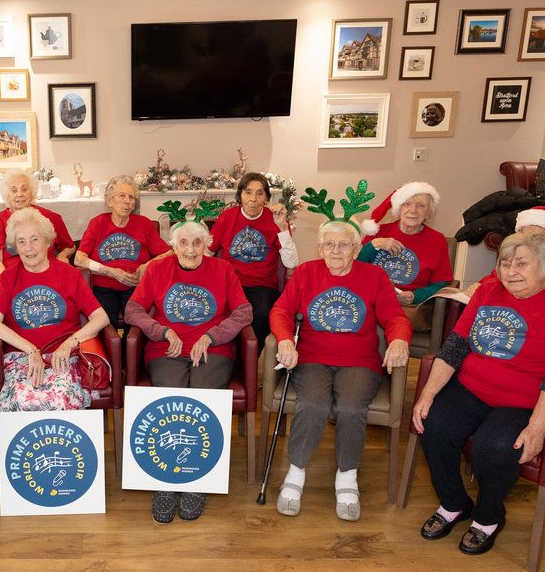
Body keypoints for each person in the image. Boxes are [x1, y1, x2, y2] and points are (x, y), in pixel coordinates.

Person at [412, 232, 545, 555]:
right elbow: (455, 347)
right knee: (433, 422)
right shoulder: (488, 291)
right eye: (505, 264)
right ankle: (454, 503)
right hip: (472, 387)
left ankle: (488, 517)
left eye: (521, 264)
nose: (511, 272)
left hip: (525, 401)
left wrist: (537, 427)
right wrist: (427, 394)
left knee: (496, 446)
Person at [269, 219, 411, 522]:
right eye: (329, 244)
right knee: (313, 403)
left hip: (359, 360)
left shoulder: (374, 276)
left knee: (350, 407)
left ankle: (347, 475)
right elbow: (281, 310)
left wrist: (399, 339)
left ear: (356, 250)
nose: (336, 251)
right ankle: (296, 471)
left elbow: (395, 317)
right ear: (320, 248)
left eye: (344, 245)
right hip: (311, 357)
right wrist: (284, 339)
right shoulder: (306, 273)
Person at [125, 220, 252, 523]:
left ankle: (199, 479)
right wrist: (162, 331)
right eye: (184, 243)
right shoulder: (157, 269)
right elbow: (133, 309)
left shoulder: (223, 269)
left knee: (202, 396)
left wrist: (211, 336)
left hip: (213, 350)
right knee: (171, 399)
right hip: (167, 349)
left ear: (207, 245)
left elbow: (244, 311)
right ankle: (164, 479)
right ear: (173, 245)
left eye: (197, 243)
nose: (191, 250)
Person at [0, 207, 108, 413]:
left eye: (35, 239)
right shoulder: (7, 278)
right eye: (21, 241)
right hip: (22, 358)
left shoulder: (69, 275)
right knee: (21, 399)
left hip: (63, 356)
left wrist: (70, 343)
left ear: (48, 242)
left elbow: (101, 318)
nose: (28, 248)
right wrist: (31, 350)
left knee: (59, 398)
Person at [208, 172, 299, 346]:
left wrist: (282, 227)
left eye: (260, 193)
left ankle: (250, 356)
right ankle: (229, 353)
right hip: (230, 283)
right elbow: (207, 252)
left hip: (262, 286)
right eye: (248, 192)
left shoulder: (275, 219)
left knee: (262, 315)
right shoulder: (227, 217)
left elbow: (291, 263)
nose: (253, 199)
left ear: (266, 198)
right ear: (240, 194)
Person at [74, 175, 172, 329]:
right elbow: (79, 259)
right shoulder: (97, 223)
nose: (128, 201)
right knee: (105, 324)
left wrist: (147, 265)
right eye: (122, 196)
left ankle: (131, 345)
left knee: (135, 323)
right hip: (103, 286)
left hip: (135, 285)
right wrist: (111, 272)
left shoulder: (144, 224)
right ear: (110, 201)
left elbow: (169, 253)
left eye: (131, 197)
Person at [359, 182, 452, 330]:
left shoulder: (437, 240)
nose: (413, 211)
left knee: (392, 320)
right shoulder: (378, 232)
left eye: (421, 206)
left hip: (407, 307)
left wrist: (415, 296)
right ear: (398, 207)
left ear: (428, 212)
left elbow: (440, 284)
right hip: (372, 299)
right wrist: (374, 245)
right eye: (407, 204)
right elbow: (355, 267)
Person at [0, 171, 74, 313]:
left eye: (24, 189)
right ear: (7, 195)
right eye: (14, 190)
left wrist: (62, 255)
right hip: (3, 280)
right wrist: (9, 285)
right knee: (6, 313)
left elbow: (70, 246)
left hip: (43, 278)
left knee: (55, 312)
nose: (19, 194)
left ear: (32, 193)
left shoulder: (49, 217)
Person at [466, 206, 545, 306]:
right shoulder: (513, 256)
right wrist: (478, 287)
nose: (530, 243)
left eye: (538, 238)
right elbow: (494, 279)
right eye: (525, 237)